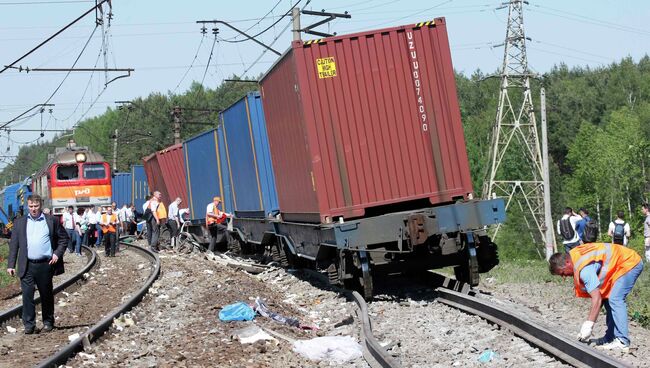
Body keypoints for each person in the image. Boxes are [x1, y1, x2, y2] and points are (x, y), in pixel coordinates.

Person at [548, 243, 643, 352]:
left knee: (615, 298)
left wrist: (588, 325)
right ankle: (610, 338)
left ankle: (622, 341)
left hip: (629, 263)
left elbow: (597, 299)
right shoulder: (575, 256)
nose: (564, 276)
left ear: (567, 262)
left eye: (562, 273)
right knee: (608, 298)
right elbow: (601, 298)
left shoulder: (584, 270)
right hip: (619, 265)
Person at [6, 194, 69, 334]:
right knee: (27, 296)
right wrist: (11, 265)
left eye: (36, 206)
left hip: (45, 264)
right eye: (31, 206)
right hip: (27, 265)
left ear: (40, 205)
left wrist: (57, 254)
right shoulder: (20, 222)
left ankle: (48, 322)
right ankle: (29, 325)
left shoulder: (51, 220)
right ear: (27, 206)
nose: (33, 209)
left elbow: (64, 239)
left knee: (46, 295)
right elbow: (14, 245)